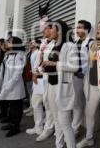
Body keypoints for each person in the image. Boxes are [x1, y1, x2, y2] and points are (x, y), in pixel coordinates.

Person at [42, 20, 79, 148]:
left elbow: (75, 67)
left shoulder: (70, 46)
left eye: (51, 28)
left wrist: (54, 64)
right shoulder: (53, 45)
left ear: (59, 31)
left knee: (65, 123)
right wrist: (43, 67)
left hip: (62, 87)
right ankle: (59, 145)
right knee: (56, 120)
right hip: (51, 86)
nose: (48, 31)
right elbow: (52, 66)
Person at [0, 36, 26, 137]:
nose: (7, 42)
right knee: (12, 106)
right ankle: (12, 123)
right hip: (7, 83)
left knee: (16, 107)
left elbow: (18, 72)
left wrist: (10, 84)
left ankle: (15, 127)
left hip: (15, 86)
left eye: (9, 41)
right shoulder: (9, 54)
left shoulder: (19, 55)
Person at [32, 21, 55, 142]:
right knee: (38, 102)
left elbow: (49, 62)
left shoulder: (55, 44)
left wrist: (38, 72)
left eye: (45, 29)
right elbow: (40, 60)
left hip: (47, 76)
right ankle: (39, 125)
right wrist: (35, 72)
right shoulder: (44, 42)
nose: (42, 31)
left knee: (48, 104)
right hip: (41, 75)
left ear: (52, 29)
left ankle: (49, 128)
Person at [72, 20, 93, 136]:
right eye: (77, 27)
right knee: (76, 103)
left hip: (85, 78)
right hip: (75, 78)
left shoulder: (91, 43)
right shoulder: (75, 43)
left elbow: (93, 62)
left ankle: (76, 130)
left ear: (86, 29)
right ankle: (74, 128)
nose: (77, 30)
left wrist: (85, 73)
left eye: (80, 27)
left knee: (82, 104)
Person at [25, 38, 46, 136]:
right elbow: (36, 65)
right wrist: (34, 74)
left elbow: (42, 63)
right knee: (36, 103)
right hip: (37, 78)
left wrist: (36, 73)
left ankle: (45, 128)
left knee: (47, 106)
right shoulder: (38, 50)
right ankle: (38, 127)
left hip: (43, 78)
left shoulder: (40, 51)